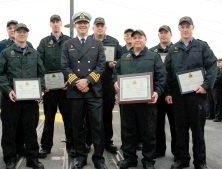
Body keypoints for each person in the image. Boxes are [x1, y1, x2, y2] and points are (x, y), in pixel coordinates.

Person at [165, 16, 217, 169]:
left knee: (198, 132)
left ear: (193, 28)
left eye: (188, 26)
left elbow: (213, 66)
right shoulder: (173, 49)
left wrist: (206, 86)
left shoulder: (202, 46)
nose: (185, 29)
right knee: (180, 130)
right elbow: (166, 72)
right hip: (179, 97)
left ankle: (200, 162)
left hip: (197, 96)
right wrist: (168, 92)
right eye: (182, 27)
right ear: (179, 29)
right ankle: (182, 159)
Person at [114, 29, 166, 169]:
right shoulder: (124, 57)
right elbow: (115, 72)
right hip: (128, 104)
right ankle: (130, 159)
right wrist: (115, 82)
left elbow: (162, 76)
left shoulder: (153, 57)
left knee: (148, 132)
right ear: (131, 40)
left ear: (145, 40)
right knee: (128, 132)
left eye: (140, 37)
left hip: (147, 103)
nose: (137, 40)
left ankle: (148, 161)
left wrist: (157, 91)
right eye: (134, 37)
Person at [0, 23, 45, 169]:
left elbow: (41, 73)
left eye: (24, 32)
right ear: (14, 34)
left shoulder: (34, 53)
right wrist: (7, 89)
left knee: (30, 129)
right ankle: (10, 158)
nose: (22, 34)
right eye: (19, 31)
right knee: (9, 129)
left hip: (30, 100)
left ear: (27, 34)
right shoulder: (6, 53)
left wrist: (41, 89)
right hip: (11, 99)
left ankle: (32, 158)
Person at [61, 11, 107, 169]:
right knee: (77, 126)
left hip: (93, 91)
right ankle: (81, 157)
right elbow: (65, 66)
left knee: (97, 126)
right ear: (75, 25)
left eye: (85, 23)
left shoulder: (98, 44)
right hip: (75, 92)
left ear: (89, 26)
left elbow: (101, 66)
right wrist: (77, 82)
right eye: (79, 23)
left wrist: (87, 81)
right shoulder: (68, 44)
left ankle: (99, 158)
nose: (82, 25)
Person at [37, 14, 72, 158]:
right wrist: (44, 84)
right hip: (50, 89)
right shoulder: (44, 42)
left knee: (68, 118)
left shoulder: (69, 41)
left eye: (58, 21)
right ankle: (46, 147)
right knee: (49, 118)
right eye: (53, 22)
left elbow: (74, 62)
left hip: (65, 87)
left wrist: (69, 81)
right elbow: (39, 63)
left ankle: (72, 145)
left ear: (61, 24)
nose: (56, 24)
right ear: (50, 24)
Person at [90, 17, 122, 154]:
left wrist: (113, 63)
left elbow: (122, 58)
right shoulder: (88, 42)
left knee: (107, 114)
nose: (99, 28)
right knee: (90, 114)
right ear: (93, 28)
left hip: (108, 83)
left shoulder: (113, 42)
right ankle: (88, 141)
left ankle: (107, 142)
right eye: (97, 26)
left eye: (102, 26)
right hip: (91, 82)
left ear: (105, 28)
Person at [150, 25, 176, 159]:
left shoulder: (177, 50)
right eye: (161, 33)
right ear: (158, 35)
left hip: (173, 94)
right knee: (157, 124)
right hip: (158, 94)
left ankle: (178, 152)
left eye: (166, 33)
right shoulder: (152, 52)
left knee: (175, 124)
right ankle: (159, 150)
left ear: (171, 34)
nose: (163, 35)